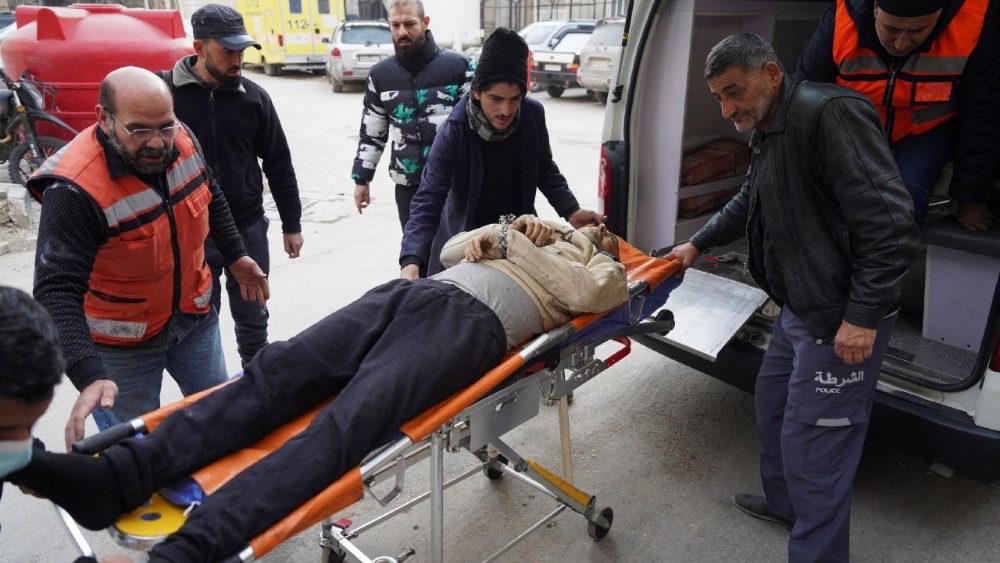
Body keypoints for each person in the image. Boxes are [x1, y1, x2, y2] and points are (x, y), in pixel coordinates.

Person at [8, 215, 626, 563]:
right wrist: (495, 236)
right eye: (584, 218)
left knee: (344, 427)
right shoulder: (531, 227)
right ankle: (114, 478)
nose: (587, 223)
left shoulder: (599, 262)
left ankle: (190, 552)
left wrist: (535, 243)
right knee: (274, 374)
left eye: (597, 224)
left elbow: (593, 296)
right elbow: (452, 249)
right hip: (413, 294)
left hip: (471, 329)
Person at [666, 34, 919, 562]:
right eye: (718, 97)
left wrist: (862, 316)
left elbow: (893, 228)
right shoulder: (766, 125)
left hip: (841, 316)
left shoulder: (830, 117)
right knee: (774, 409)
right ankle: (786, 506)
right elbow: (748, 197)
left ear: (772, 74)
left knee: (817, 453)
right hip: (800, 306)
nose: (727, 108)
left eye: (734, 91)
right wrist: (697, 242)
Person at [29, 67, 269, 450]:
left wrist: (237, 255)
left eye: (165, 126)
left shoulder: (183, 138)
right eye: (140, 130)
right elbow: (55, 289)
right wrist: (88, 373)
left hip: (193, 318)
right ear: (104, 119)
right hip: (122, 346)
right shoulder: (74, 189)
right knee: (137, 450)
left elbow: (211, 195)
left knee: (221, 418)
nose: (158, 143)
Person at [163, 4, 304, 367]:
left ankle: (256, 385)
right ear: (199, 47)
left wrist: (292, 224)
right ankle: (213, 392)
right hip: (192, 231)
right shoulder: (165, 96)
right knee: (198, 323)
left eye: (241, 50)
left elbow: (278, 163)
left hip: (247, 225)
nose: (237, 59)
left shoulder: (254, 98)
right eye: (227, 50)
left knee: (254, 317)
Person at [400, 27, 602, 278]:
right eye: (496, 99)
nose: (506, 110)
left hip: (518, 237)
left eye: (514, 99)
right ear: (477, 91)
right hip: (468, 243)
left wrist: (570, 210)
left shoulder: (532, 114)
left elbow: (544, 168)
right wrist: (411, 261)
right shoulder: (454, 130)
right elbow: (428, 200)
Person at [796, 0, 1000, 231]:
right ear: (875, 9)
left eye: (917, 30)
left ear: (940, 14)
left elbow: (981, 116)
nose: (901, 43)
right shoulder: (841, 21)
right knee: (828, 195)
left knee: (905, 198)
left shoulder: (973, 23)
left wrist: (970, 198)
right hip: (854, 127)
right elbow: (803, 104)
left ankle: (890, 264)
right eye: (892, 29)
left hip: (926, 130)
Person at [350, 0, 473, 228]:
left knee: (458, 255)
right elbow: (372, 133)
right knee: (416, 255)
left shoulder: (459, 67)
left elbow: (474, 129)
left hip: (454, 185)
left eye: (409, 24)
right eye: (395, 25)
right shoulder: (380, 76)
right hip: (409, 188)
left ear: (425, 23)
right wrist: (362, 179)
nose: (402, 32)